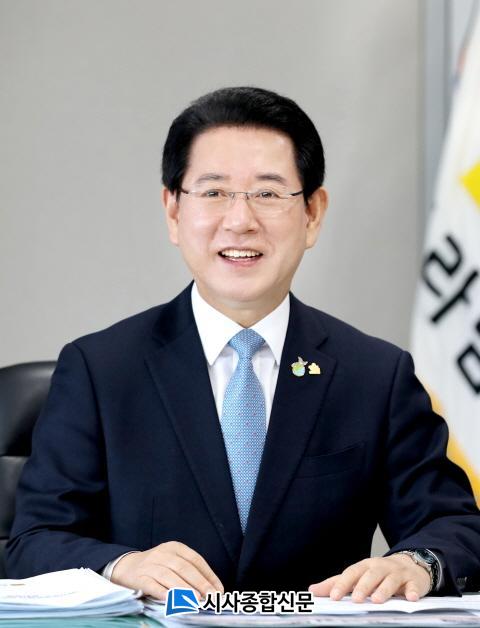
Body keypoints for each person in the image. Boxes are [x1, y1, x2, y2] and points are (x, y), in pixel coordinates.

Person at [6, 87, 480, 603]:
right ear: (173, 211)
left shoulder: (374, 375)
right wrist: (122, 566)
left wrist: (419, 563)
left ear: (313, 214)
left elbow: (454, 526)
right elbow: (34, 542)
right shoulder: (101, 370)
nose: (240, 221)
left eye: (268, 194)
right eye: (213, 193)